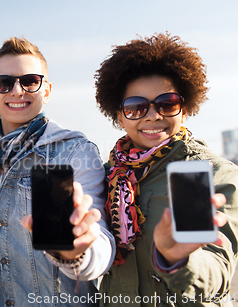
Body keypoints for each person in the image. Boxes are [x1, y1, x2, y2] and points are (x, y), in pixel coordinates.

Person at [94, 32, 238, 306]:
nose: (152, 115)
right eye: (136, 107)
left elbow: (219, 270)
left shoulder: (213, 173)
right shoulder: (105, 176)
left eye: (167, 103)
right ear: (119, 116)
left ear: (184, 111)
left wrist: (177, 260)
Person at [0, 37, 115, 306]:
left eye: (30, 81)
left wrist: (76, 253)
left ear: (47, 90)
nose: (17, 91)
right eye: (4, 83)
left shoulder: (75, 151)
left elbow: (100, 240)